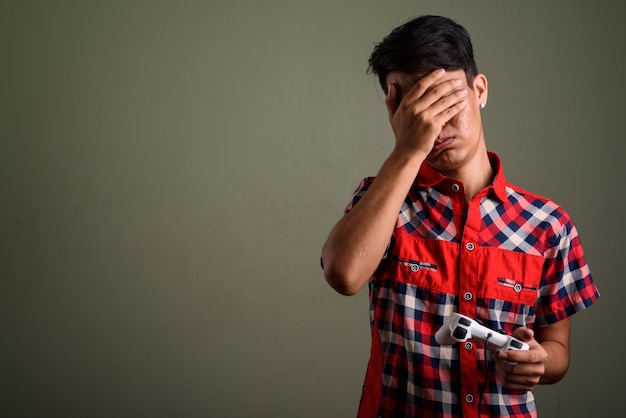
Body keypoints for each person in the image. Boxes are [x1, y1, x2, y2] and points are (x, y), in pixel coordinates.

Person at [320, 15, 599, 418]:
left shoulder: (548, 224)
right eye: (418, 110)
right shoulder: (381, 202)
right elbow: (343, 274)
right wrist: (407, 151)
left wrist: (539, 362)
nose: (436, 125)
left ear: (479, 89)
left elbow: (557, 352)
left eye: (446, 102)